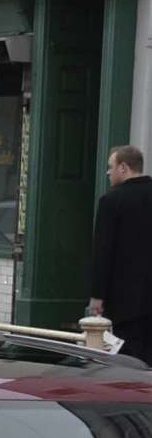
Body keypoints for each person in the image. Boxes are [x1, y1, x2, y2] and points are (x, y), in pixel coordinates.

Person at [89, 144, 152, 361]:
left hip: (125, 301)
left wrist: (97, 296)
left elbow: (103, 251)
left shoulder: (111, 201)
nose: (108, 172)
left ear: (123, 167)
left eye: (110, 166)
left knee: (128, 360)